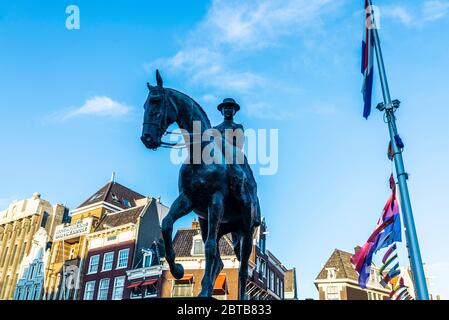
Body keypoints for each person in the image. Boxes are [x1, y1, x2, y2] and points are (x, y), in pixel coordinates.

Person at [213, 98, 261, 228]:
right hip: (218, 159)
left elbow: (238, 145)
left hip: (235, 158)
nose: (228, 110)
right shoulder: (215, 129)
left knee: (252, 183)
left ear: (234, 111)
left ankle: (255, 213)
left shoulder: (238, 127)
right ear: (221, 111)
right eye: (226, 108)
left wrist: (220, 142)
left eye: (231, 108)